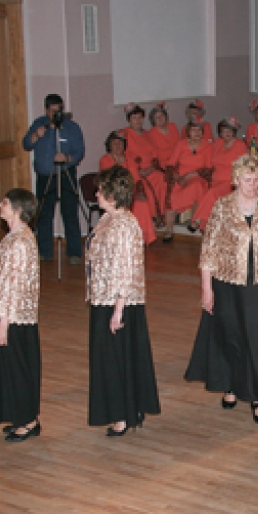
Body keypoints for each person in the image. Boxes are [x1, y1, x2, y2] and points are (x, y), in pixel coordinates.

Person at [185, 155, 258, 423]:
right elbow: (209, 249)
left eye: (256, 179)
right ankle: (232, 384)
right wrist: (207, 289)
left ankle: (257, 395)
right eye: (247, 179)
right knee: (232, 335)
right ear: (236, 179)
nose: (252, 184)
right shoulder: (222, 206)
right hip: (229, 281)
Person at [86, 166, 161, 436]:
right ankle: (129, 409)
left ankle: (123, 415)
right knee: (112, 359)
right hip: (103, 298)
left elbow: (127, 269)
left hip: (119, 302)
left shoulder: (126, 224)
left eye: (101, 190)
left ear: (113, 193)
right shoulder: (108, 219)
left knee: (116, 359)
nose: (96, 193)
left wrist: (118, 311)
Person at [0, 189, 42, 442]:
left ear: (18, 210)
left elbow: (14, 284)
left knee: (17, 368)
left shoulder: (19, 241)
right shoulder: (18, 236)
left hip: (13, 316)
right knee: (14, 367)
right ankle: (21, 416)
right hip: (12, 313)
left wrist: (3, 324)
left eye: (4, 202)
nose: (0, 204)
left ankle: (27, 421)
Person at [22, 93, 85, 263]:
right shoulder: (39, 124)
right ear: (46, 110)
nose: (56, 115)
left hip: (65, 173)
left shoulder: (71, 127)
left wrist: (67, 158)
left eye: (59, 111)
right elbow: (26, 144)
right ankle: (44, 251)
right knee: (44, 213)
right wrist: (36, 135)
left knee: (70, 212)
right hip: (45, 175)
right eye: (53, 111)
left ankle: (74, 252)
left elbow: (79, 151)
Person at [192, 117, 248, 232]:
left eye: (229, 131)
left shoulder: (240, 145)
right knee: (206, 192)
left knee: (212, 193)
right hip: (215, 179)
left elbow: (244, 166)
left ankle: (198, 221)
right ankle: (207, 227)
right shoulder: (217, 143)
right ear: (220, 132)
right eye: (224, 131)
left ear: (234, 131)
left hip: (231, 181)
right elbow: (209, 162)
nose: (226, 133)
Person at [99, 131, 156, 245]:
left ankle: (142, 238)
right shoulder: (105, 160)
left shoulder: (129, 158)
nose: (117, 146)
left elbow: (136, 178)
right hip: (113, 193)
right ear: (109, 145)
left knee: (142, 203)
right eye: (114, 143)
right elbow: (109, 180)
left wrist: (139, 191)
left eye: (120, 143)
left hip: (130, 192)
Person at [119, 103, 169, 227]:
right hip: (136, 172)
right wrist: (138, 171)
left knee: (162, 179)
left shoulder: (148, 134)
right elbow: (124, 157)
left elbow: (155, 153)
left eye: (140, 117)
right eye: (134, 118)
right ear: (129, 119)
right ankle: (152, 217)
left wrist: (152, 167)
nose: (138, 121)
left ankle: (161, 215)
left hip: (151, 170)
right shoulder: (124, 134)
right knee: (145, 186)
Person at [164, 121, 212, 240]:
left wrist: (190, 175)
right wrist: (177, 177)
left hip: (199, 177)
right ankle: (169, 230)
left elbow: (208, 168)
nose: (197, 133)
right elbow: (171, 163)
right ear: (188, 132)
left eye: (199, 130)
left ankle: (195, 221)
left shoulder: (207, 145)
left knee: (197, 186)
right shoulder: (181, 144)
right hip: (180, 178)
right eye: (194, 130)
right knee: (172, 194)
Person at [145, 104, 182, 231]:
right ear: (153, 121)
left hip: (179, 162)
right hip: (164, 166)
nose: (160, 119)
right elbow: (153, 154)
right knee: (167, 183)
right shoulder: (151, 133)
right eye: (157, 117)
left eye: (162, 116)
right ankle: (166, 215)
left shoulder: (172, 127)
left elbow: (181, 145)